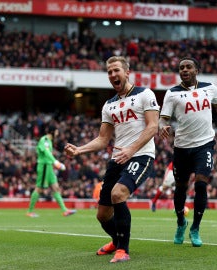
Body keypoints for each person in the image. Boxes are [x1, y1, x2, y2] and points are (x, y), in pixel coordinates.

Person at [64, 56, 159, 263]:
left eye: (116, 70)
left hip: (141, 155)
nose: (113, 75)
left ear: (127, 72)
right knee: (103, 215)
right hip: (118, 158)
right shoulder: (109, 105)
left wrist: (131, 149)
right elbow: (103, 138)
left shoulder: (145, 94)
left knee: (118, 194)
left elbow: (153, 126)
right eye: (109, 72)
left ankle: (123, 251)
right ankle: (116, 241)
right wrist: (79, 150)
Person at [159, 57, 217, 247]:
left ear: (197, 70)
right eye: (181, 68)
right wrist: (162, 126)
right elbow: (163, 118)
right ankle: (181, 222)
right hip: (182, 147)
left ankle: (195, 228)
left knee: (201, 185)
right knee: (180, 189)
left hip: (205, 145)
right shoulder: (172, 93)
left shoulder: (210, 88)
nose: (184, 70)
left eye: (188, 67)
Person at [26, 126, 77, 218]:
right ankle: (29, 211)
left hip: (48, 166)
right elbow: (46, 152)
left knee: (56, 188)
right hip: (44, 166)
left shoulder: (48, 141)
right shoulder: (45, 140)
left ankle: (65, 210)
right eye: (56, 131)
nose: (57, 133)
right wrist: (55, 162)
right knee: (39, 189)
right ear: (52, 132)